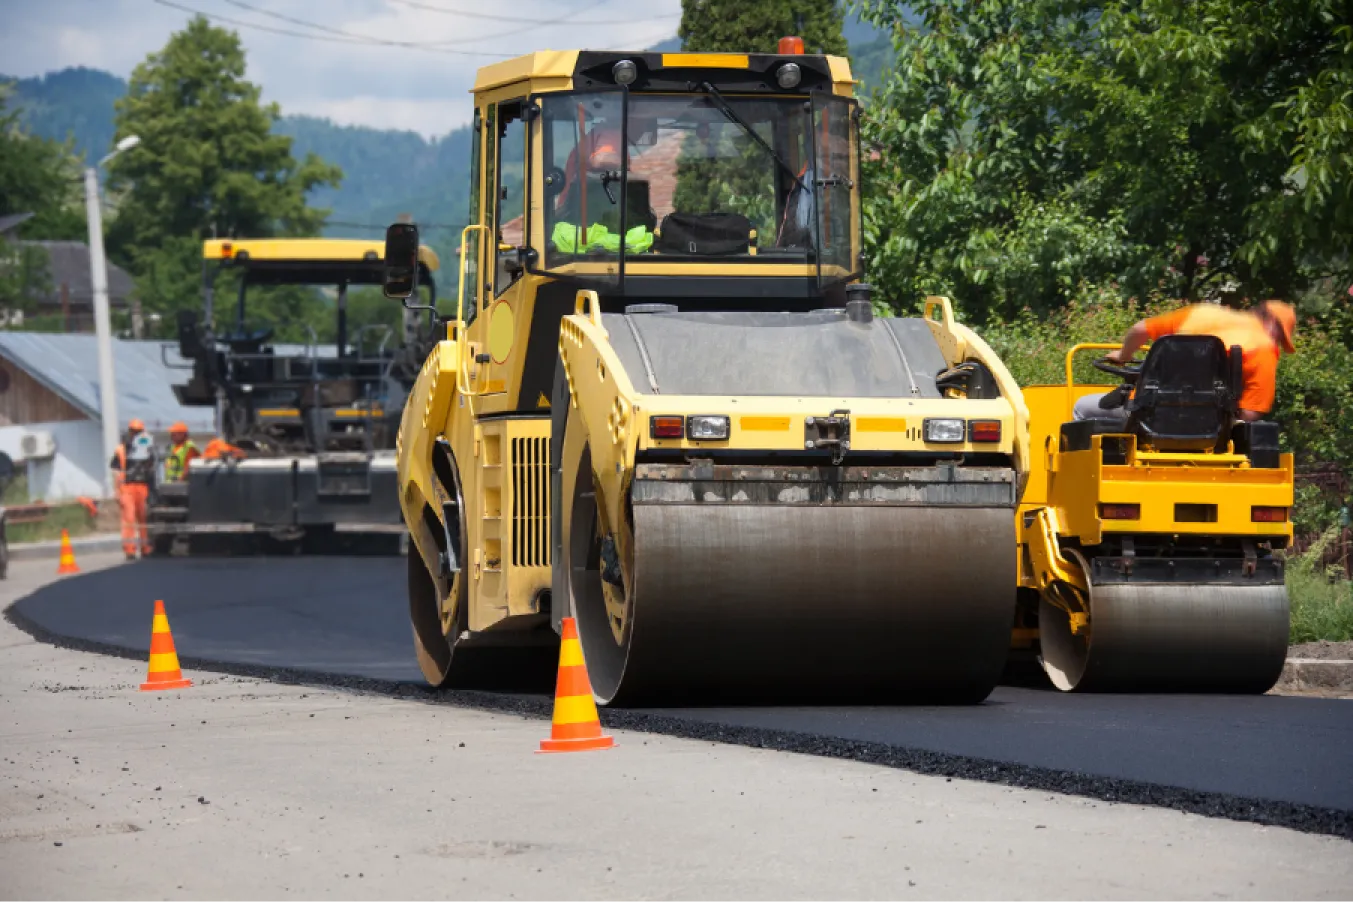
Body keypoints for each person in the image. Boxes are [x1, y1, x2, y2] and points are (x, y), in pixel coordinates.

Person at [1074, 300, 1297, 423]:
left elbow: (1140, 329)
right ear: (1271, 323)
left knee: (1081, 408)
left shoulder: (1202, 313)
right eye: (1281, 335)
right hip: (1209, 427)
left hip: (1151, 413)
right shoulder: (1264, 348)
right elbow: (1251, 413)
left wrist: (1124, 356)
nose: (1277, 340)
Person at [110, 418, 156, 560]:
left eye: (138, 432)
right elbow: (116, 471)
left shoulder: (147, 449)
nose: (135, 434)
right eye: (134, 431)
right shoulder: (121, 449)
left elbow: (151, 470)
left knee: (144, 518)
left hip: (142, 486)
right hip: (127, 487)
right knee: (129, 518)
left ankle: (146, 548)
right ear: (129, 432)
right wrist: (117, 491)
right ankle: (130, 550)